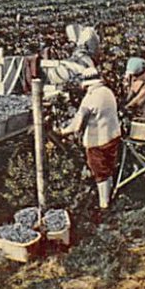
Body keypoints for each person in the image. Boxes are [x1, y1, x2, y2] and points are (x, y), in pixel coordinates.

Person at [54, 68, 122, 212]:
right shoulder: (108, 92)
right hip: (113, 136)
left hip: (98, 141)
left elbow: (76, 125)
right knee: (108, 169)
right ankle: (109, 198)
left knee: (100, 173)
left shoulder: (89, 99)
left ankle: (104, 206)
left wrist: (62, 131)